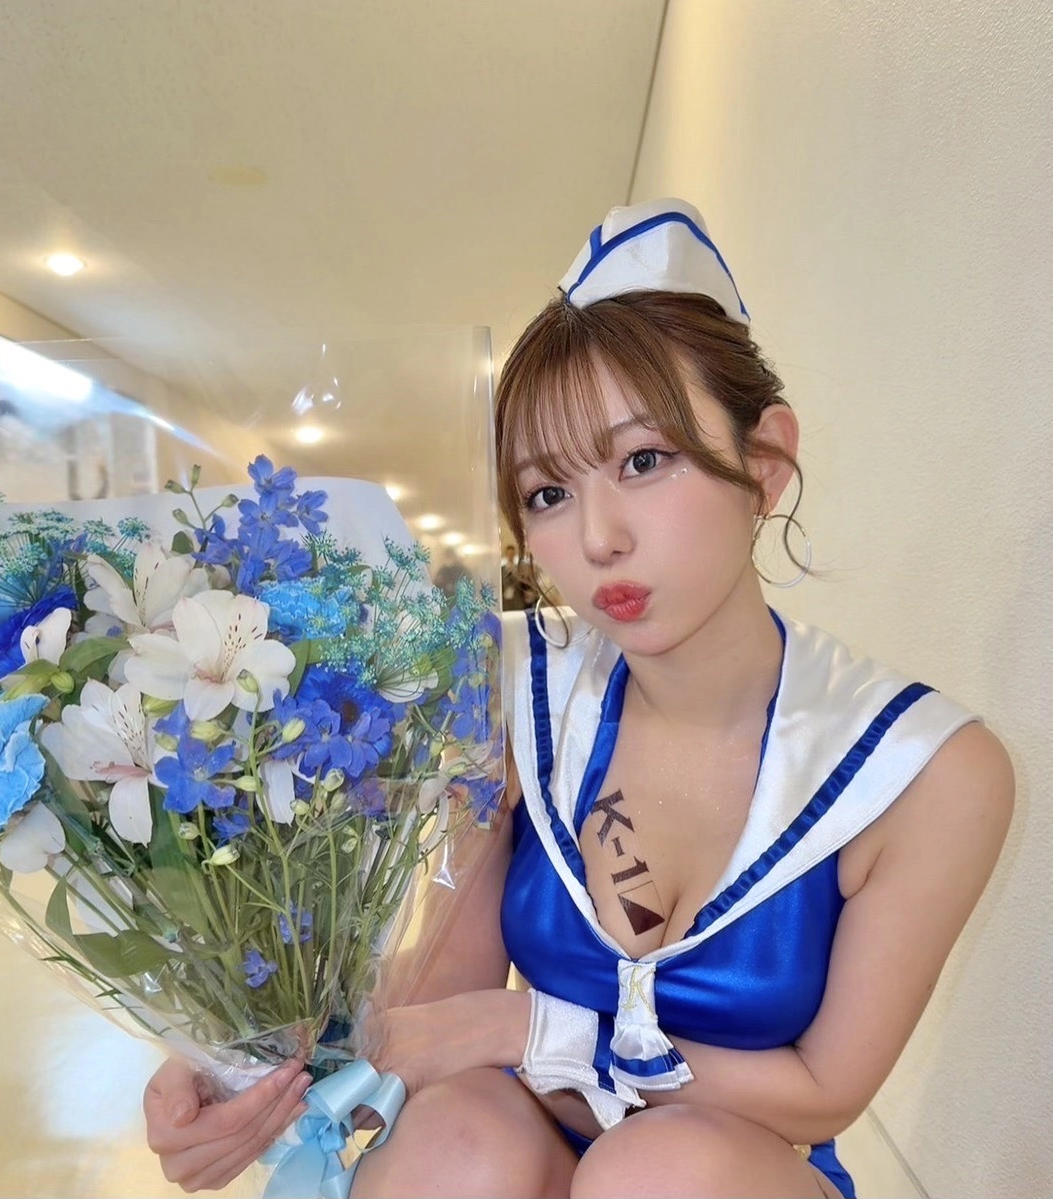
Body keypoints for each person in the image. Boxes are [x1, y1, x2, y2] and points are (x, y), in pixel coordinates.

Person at [142, 199, 1013, 1197]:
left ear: (765, 460)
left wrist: (536, 1027)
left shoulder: (920, 767)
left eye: (644, 460)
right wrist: (245, 1060)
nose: (598, 538)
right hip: (532, 1148)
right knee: (456, 1139)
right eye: (547, 493)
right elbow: (446, 995)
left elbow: (820, 1093)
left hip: (733, 1174)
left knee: (660, 1172)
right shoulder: (519, 686)